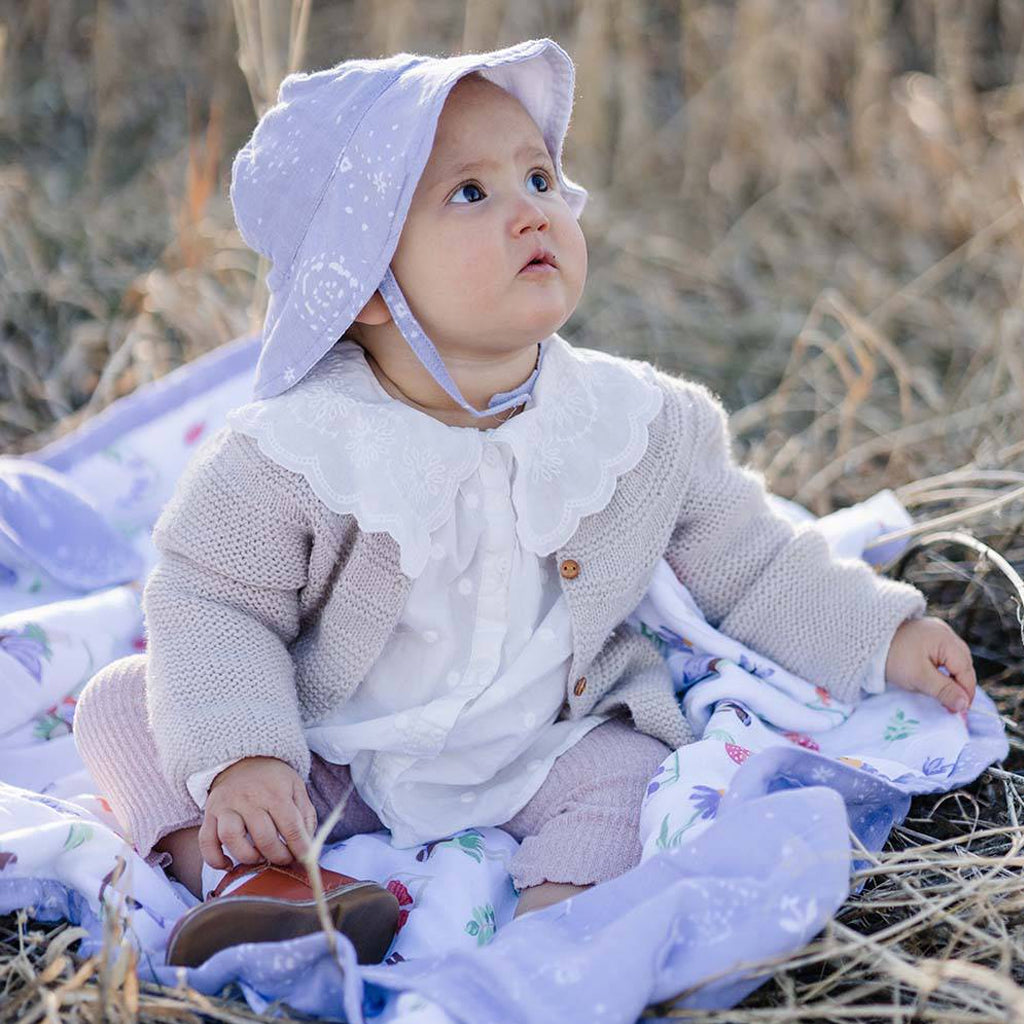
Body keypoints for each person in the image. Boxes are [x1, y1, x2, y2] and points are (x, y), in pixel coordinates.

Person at [72, 38, 977, 966]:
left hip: (540, 745)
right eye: (472, 193)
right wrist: (248, 757)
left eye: (541, 177)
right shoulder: (295, 450)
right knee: (122, 705)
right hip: (331, 749)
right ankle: (257, 878)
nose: (531, 212)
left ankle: (551, 937)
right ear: (367, 287)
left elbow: (754, 560)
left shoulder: (635, 425)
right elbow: (211, 600)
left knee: (639, 777)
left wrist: (881, 637)